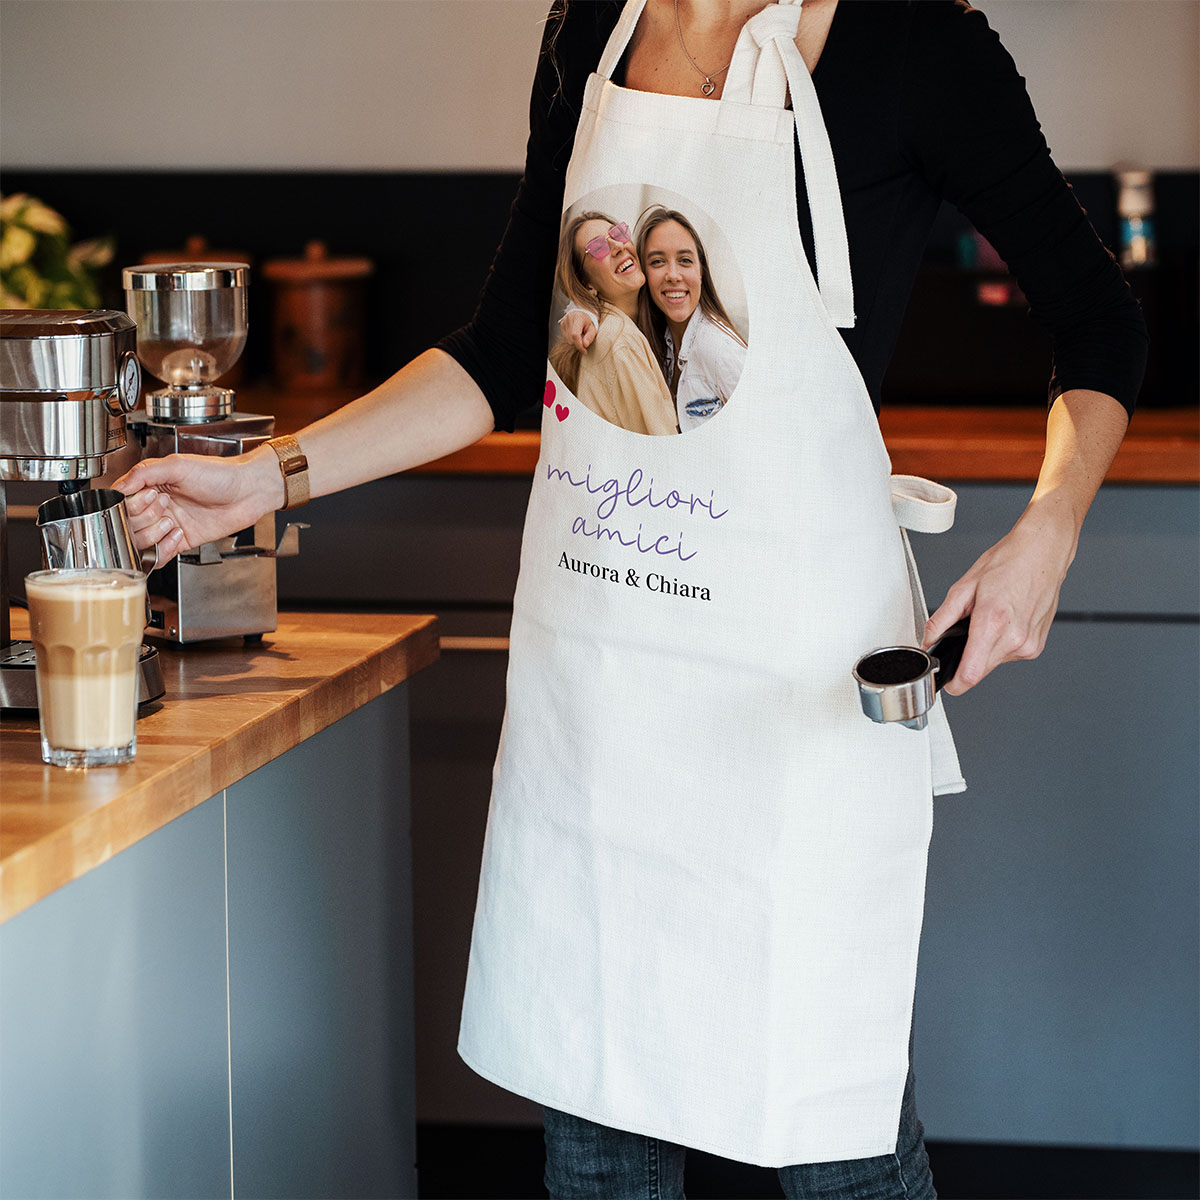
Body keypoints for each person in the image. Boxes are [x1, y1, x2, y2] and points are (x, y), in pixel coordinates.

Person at [116, 1, 1145, 1197]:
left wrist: (1048, 534)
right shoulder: (594, 22)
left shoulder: (914, 39)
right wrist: (262, 476)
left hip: (796, 703)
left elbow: (1099, 318)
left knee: (833, 1143)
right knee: (601, 1143)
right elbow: (507, 350)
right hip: (607, 687)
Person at [548, 211, 679, 434]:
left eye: (618, 233)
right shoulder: (622, 341)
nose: (618, 246)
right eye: (598, 247)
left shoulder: (648, 320)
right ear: (586, 284)